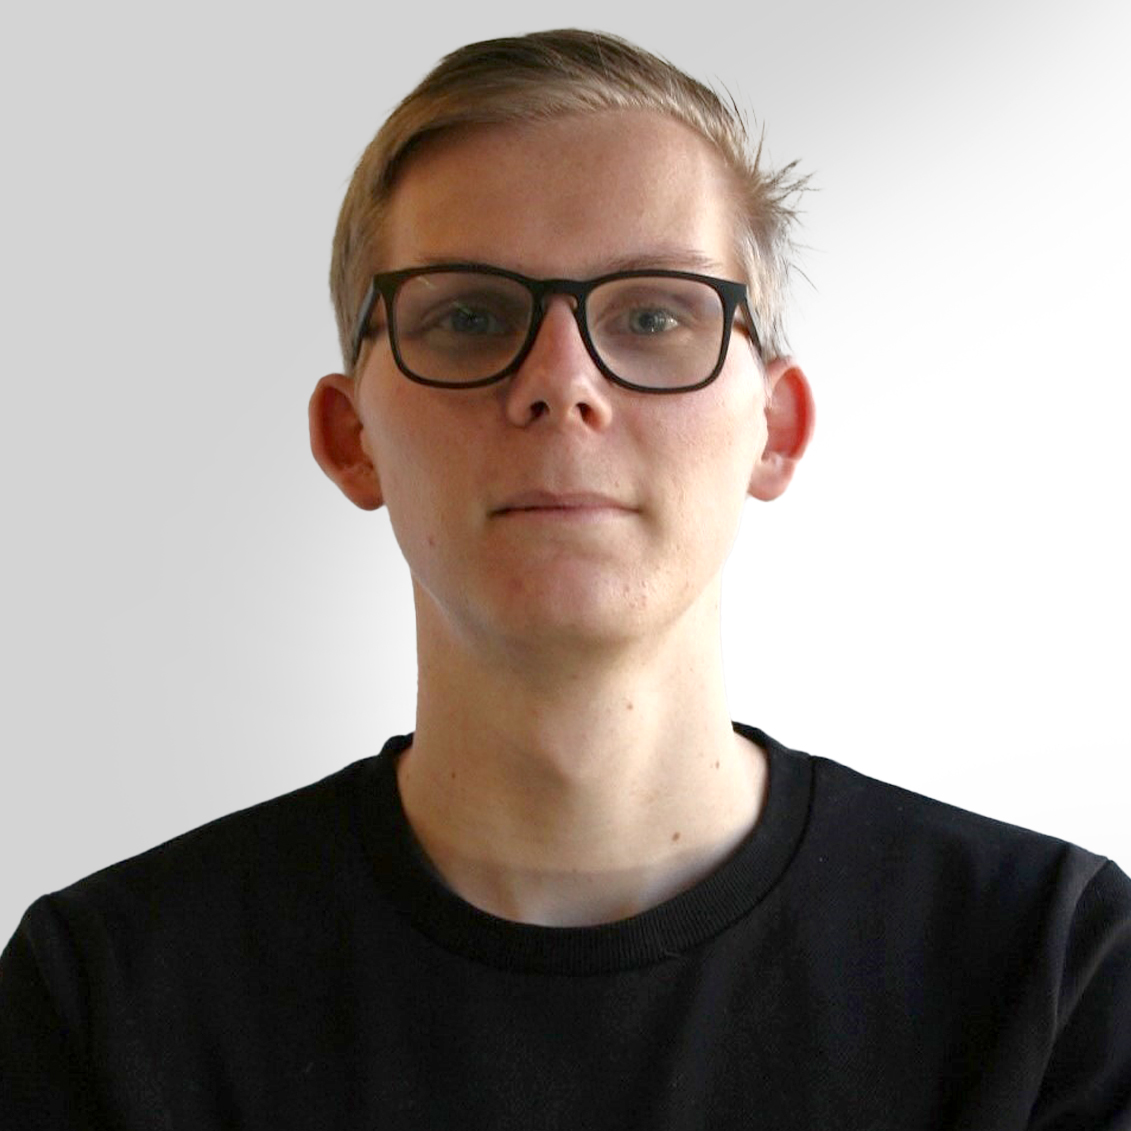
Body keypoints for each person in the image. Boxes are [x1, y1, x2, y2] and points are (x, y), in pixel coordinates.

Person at [2, 27, 1129, 1130]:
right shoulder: (105, 996)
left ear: (775, 429)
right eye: (469, 316)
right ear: (352, 441)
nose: (561, 381)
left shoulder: (1052, 971)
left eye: (653, 314)